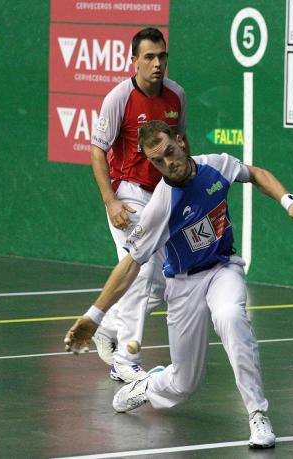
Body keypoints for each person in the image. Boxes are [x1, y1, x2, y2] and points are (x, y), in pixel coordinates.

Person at [65, 120, 293, 449]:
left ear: (180, 142)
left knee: (231, 317)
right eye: (157, 161)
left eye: (170, 152)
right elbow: (130, 264)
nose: (168, 163)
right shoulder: (161, 204)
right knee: (184, 383)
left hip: (222, 269)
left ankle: (258, 414)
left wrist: (289, 201)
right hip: (183, 285)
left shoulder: (215, 166)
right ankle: (145, 387)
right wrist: (94, 316)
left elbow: (254, 173)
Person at [89, 27, 189, 383]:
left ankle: (108, 327)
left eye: (162, 56)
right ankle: (125, 360)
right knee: (142, 271)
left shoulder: (176, 95)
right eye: (149, 57)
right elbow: (97, 150)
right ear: (134, 61)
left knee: (159, 285)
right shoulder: (119, 98)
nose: (157, 64)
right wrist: (111, 200)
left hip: (163, 196)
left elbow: (181, 144)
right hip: (128, 195)